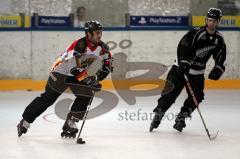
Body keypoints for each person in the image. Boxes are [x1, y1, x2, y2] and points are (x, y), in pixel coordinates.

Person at [17, 20, 113, 138]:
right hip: (60, 73)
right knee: (48, 98)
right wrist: (90, 80)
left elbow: (107, 60)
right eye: (96, 33)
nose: (99, 35)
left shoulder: (102, 47)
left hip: (76, 76)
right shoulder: (79, 45)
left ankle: (71, 121)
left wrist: (105, 69)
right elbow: (75, 70)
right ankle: (25, 121)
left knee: (86, 94)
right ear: (88, 34)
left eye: (100, 32)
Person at [150, 8, 226, 132]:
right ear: (206, 20)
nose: (212, 23)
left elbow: (221, 56)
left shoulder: (219, 39)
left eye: (215, 21)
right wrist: (183, 61)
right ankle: (158, 115)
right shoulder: (196, 33)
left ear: (218, 22)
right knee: (169, 95)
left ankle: (181, 117)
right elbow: (182, 46)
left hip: (197, 74)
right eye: (210, 20)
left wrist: (218, 67)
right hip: (179, 70)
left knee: (197, 97)